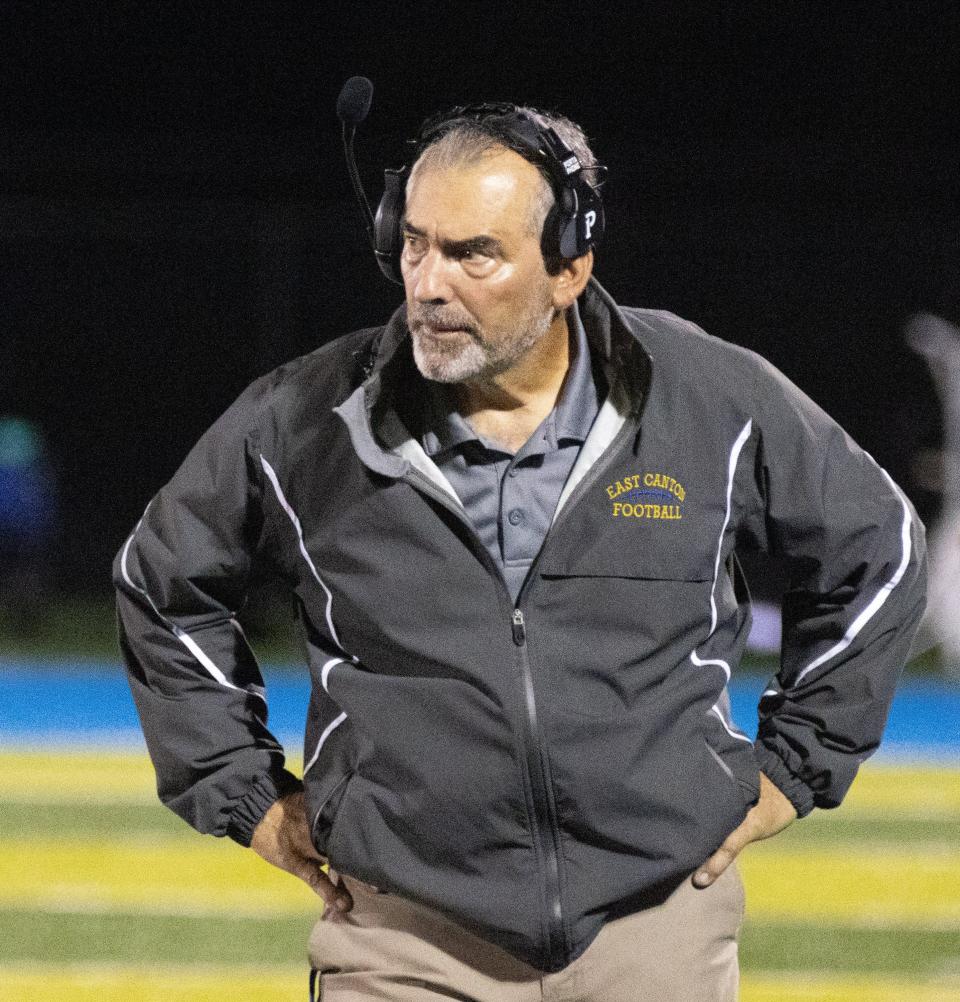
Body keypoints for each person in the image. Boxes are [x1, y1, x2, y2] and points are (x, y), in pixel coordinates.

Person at [114, 102, 927, 1001]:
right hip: (402, 938)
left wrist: (795, 763)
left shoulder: (709, 396)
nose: (427, 284)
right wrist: (245, 795)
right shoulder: (303, 420)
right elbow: (161, 586)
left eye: (473, 254)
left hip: (657, 927)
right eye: (414, 245)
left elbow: (880, 548)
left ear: (569, 266)